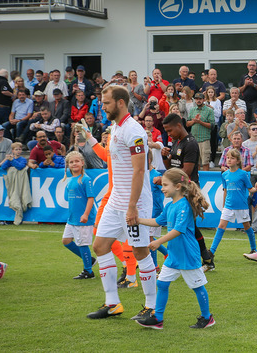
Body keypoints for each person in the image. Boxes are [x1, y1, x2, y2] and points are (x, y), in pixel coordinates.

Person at [87, 85, 157, 321]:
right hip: (115, 201)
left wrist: (132, 206)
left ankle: (151, 307)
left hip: (134, 204)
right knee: (100, 246)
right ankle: (113, 303)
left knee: (139, 251)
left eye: (105, 103)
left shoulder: (134, 130)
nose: (102, 107)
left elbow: (139, 171)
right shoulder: (116, 127)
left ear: (119, 103)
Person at [135, 168, 215, 329]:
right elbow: (158, 221)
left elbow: (178, 230)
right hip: (174, 256)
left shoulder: (184, 206)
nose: (162, 188)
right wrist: (138, 220)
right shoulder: (170, 205)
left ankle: (207, 318)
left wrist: (159, 242)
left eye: (165, 185)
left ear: (178, 186)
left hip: (187, 255)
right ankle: (158, 318)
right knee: (163, 284)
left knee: (197, 286)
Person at [161, 113, 215, 272]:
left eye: (169, 130)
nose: (168, 134)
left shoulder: (190, 144)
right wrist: (165, 156)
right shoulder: (177, 142)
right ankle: (205, 259)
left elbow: (186, 172)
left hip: (188, 190)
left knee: (187, 227)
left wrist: (164, 180)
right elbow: (170, 168)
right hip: (179, 190)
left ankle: (201, 260)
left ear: (179, 125)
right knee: (188, 226)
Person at [210, 149, 257, 258]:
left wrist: (256, 188)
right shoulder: (225, 175)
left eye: (232, 158)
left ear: (237, 161)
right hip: (228, 206)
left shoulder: (243, 174)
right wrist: (223, 206)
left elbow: (250, 189)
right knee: (221, 226)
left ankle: (254, 249)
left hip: (241, 206)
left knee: (247, 227)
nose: (229, 160)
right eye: (228, 158)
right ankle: (211, 252)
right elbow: (225, 191)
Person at [62, 151, 96, 279]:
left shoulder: (86, 179)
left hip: (83, 218)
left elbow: (90, 199)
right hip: (72, 219)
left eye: (77, 161)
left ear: (82, 163)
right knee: (66, 241)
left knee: (82, 244)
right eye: (71, 162)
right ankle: (89, 260)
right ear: (68, 165)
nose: (74, 163)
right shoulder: (71, 180)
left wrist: (86, 214)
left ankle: (88, 271)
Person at [186, 92, 214, 171]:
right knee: (195, 162)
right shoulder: (192, 110)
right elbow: (187, 124)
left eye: (200, 99)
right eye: (197, 99)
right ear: (194, 100)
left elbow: (212, 126)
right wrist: (194, 121)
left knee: (205, 162)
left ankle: (206, 180)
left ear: (204, 100)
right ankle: (196, 179)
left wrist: (200, 122)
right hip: (194, 140)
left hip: (204, 139)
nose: (198, 100)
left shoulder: (209, 110)